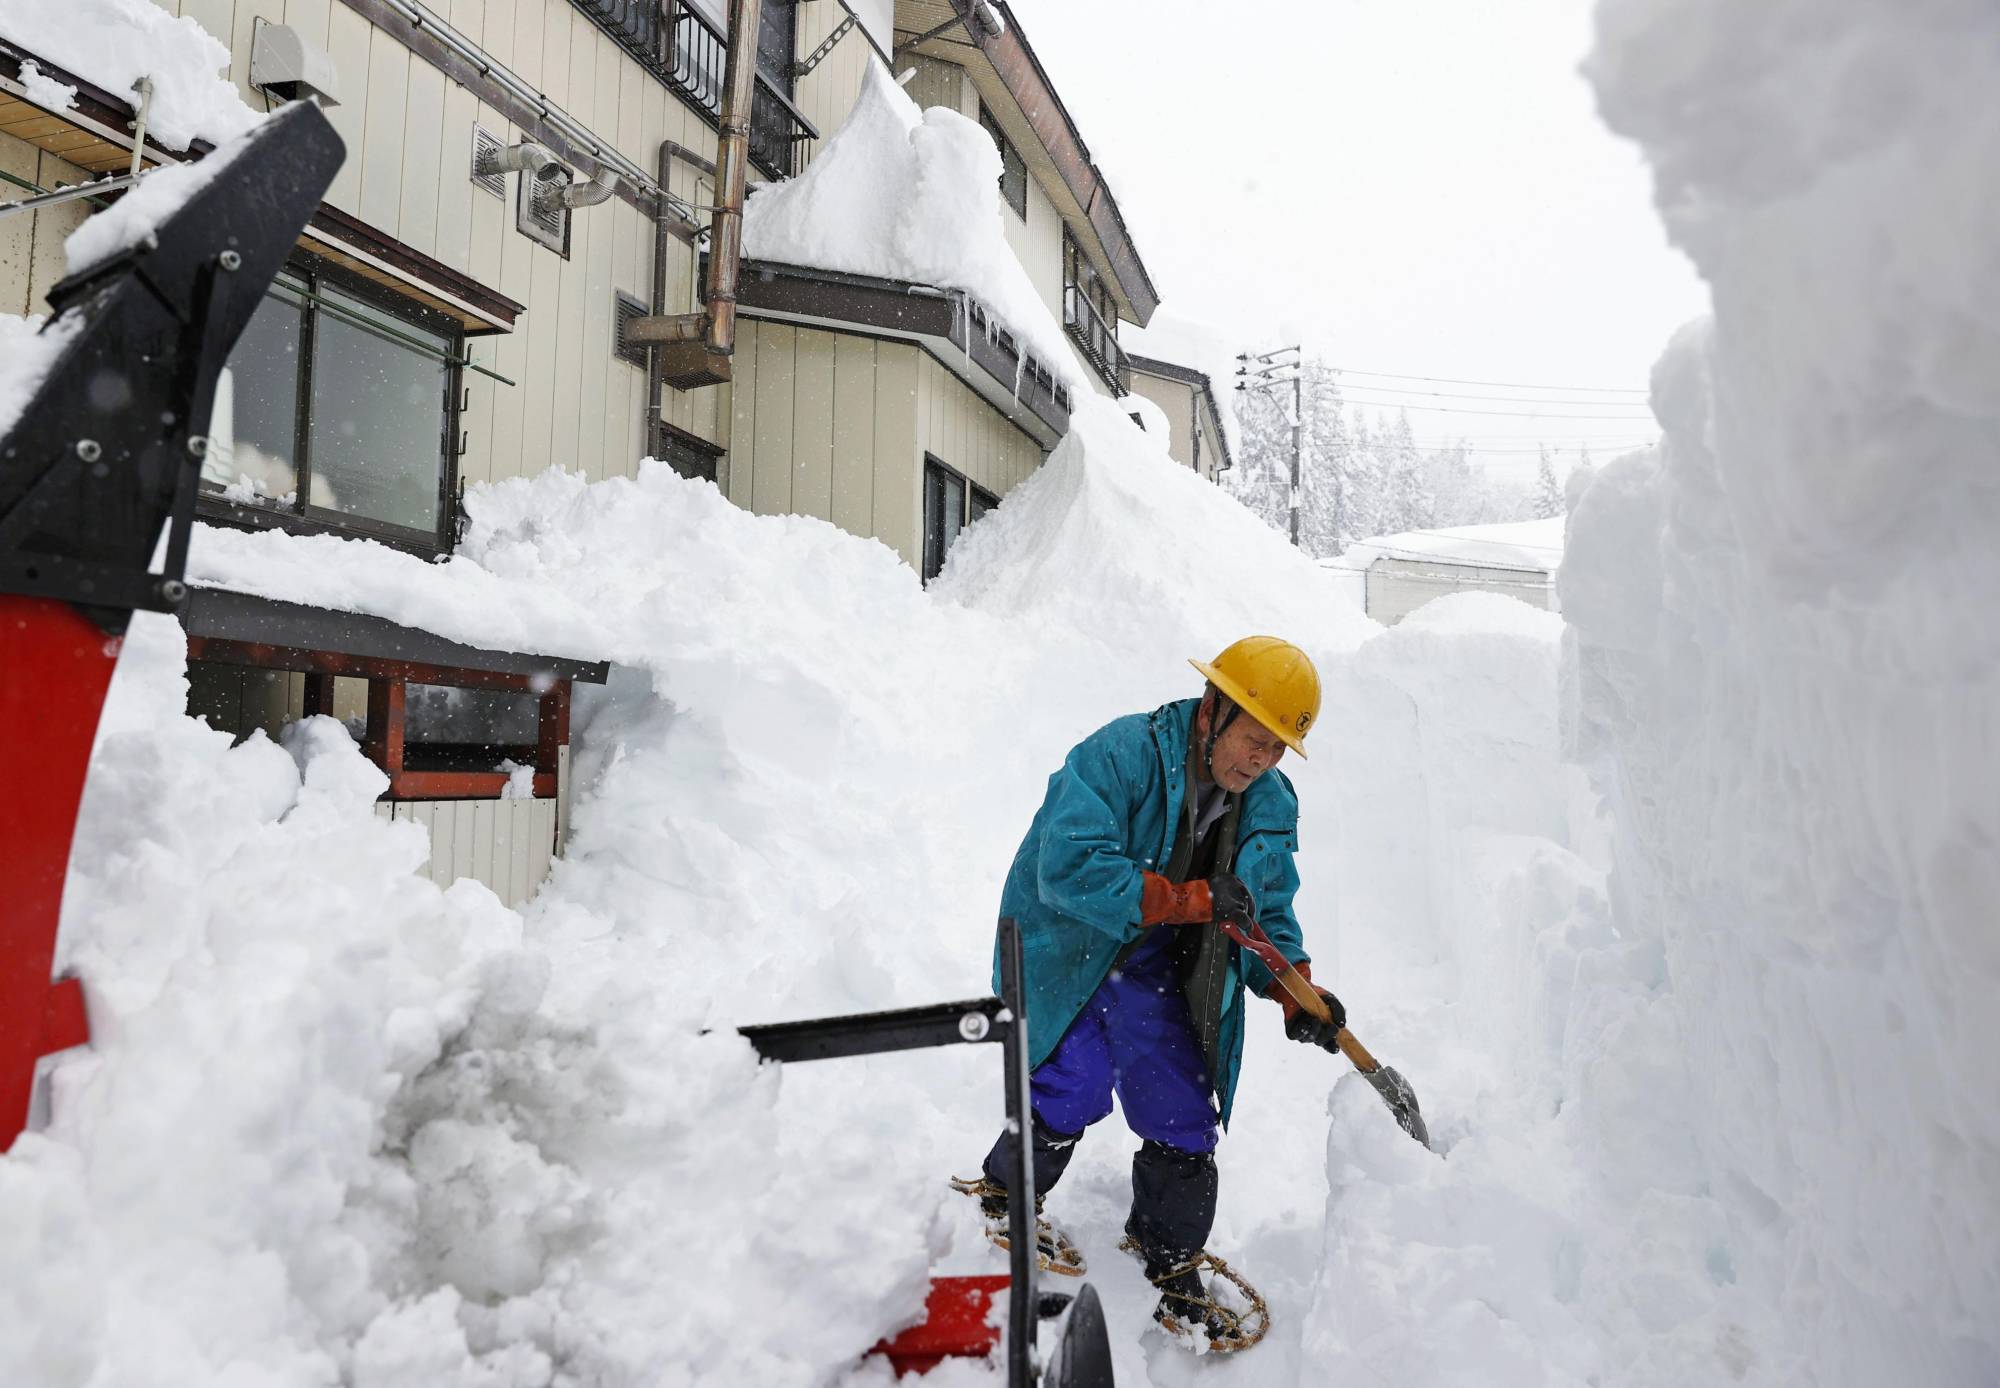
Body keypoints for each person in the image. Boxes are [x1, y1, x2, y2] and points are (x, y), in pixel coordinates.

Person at [964, 636, 1346, 1350]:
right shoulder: (1120, 755)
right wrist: (1190, 898)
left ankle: (1169, 1257)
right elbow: (1067, 867)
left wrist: (1294, 986)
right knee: (1070, 1083)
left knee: (1182, 1109)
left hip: (1152, 966)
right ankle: (1005, 1193)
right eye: (1252, 738)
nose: (1259, 759)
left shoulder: (1266, 800)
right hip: (1069, 946)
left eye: (1275, 749)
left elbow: (1264, 911)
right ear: (1213, 710)